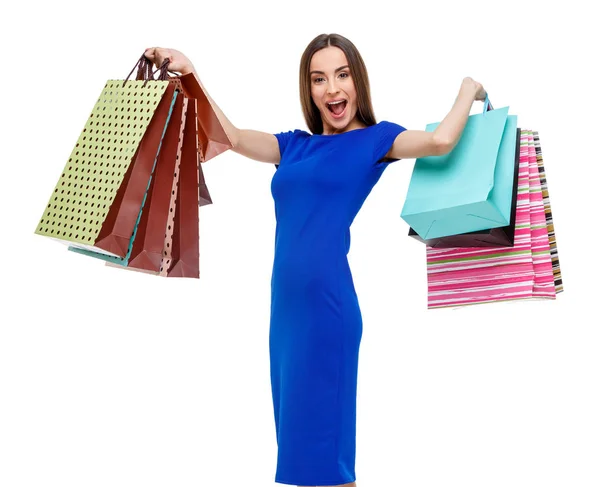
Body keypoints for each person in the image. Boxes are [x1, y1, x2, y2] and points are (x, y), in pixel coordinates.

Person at [145, 33, 486, 487]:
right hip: (286, 316)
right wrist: (189, 73)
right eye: (319, 78)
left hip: (328, 313)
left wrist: (468, 88)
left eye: (342, 75)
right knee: (304, 460)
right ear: (309, 90)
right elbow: (228, 136)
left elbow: (442, 141)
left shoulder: (376, 140)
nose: (332, 89)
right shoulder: (294, 146)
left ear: (357, 81)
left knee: (327, 462)